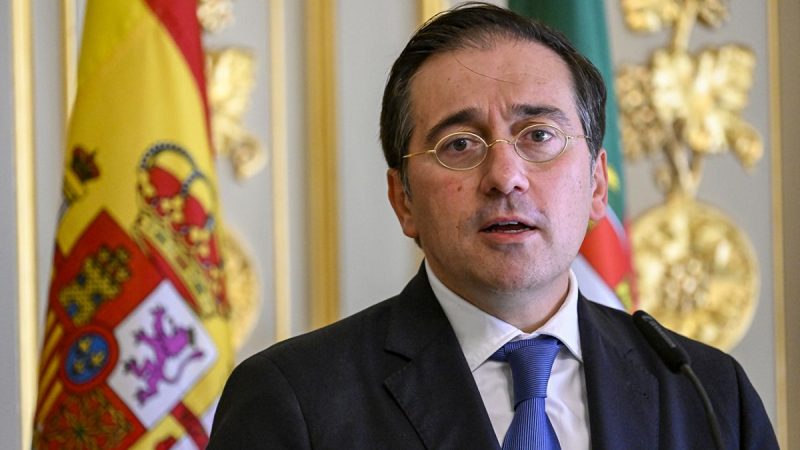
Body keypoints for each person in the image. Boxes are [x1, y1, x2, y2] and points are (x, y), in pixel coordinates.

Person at [208, 3, 778, 449]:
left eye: (539, 136)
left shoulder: (707, 393)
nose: (505, 177)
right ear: (403, 200)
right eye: (459, 144)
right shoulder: (295, 400)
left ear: (598, 186)